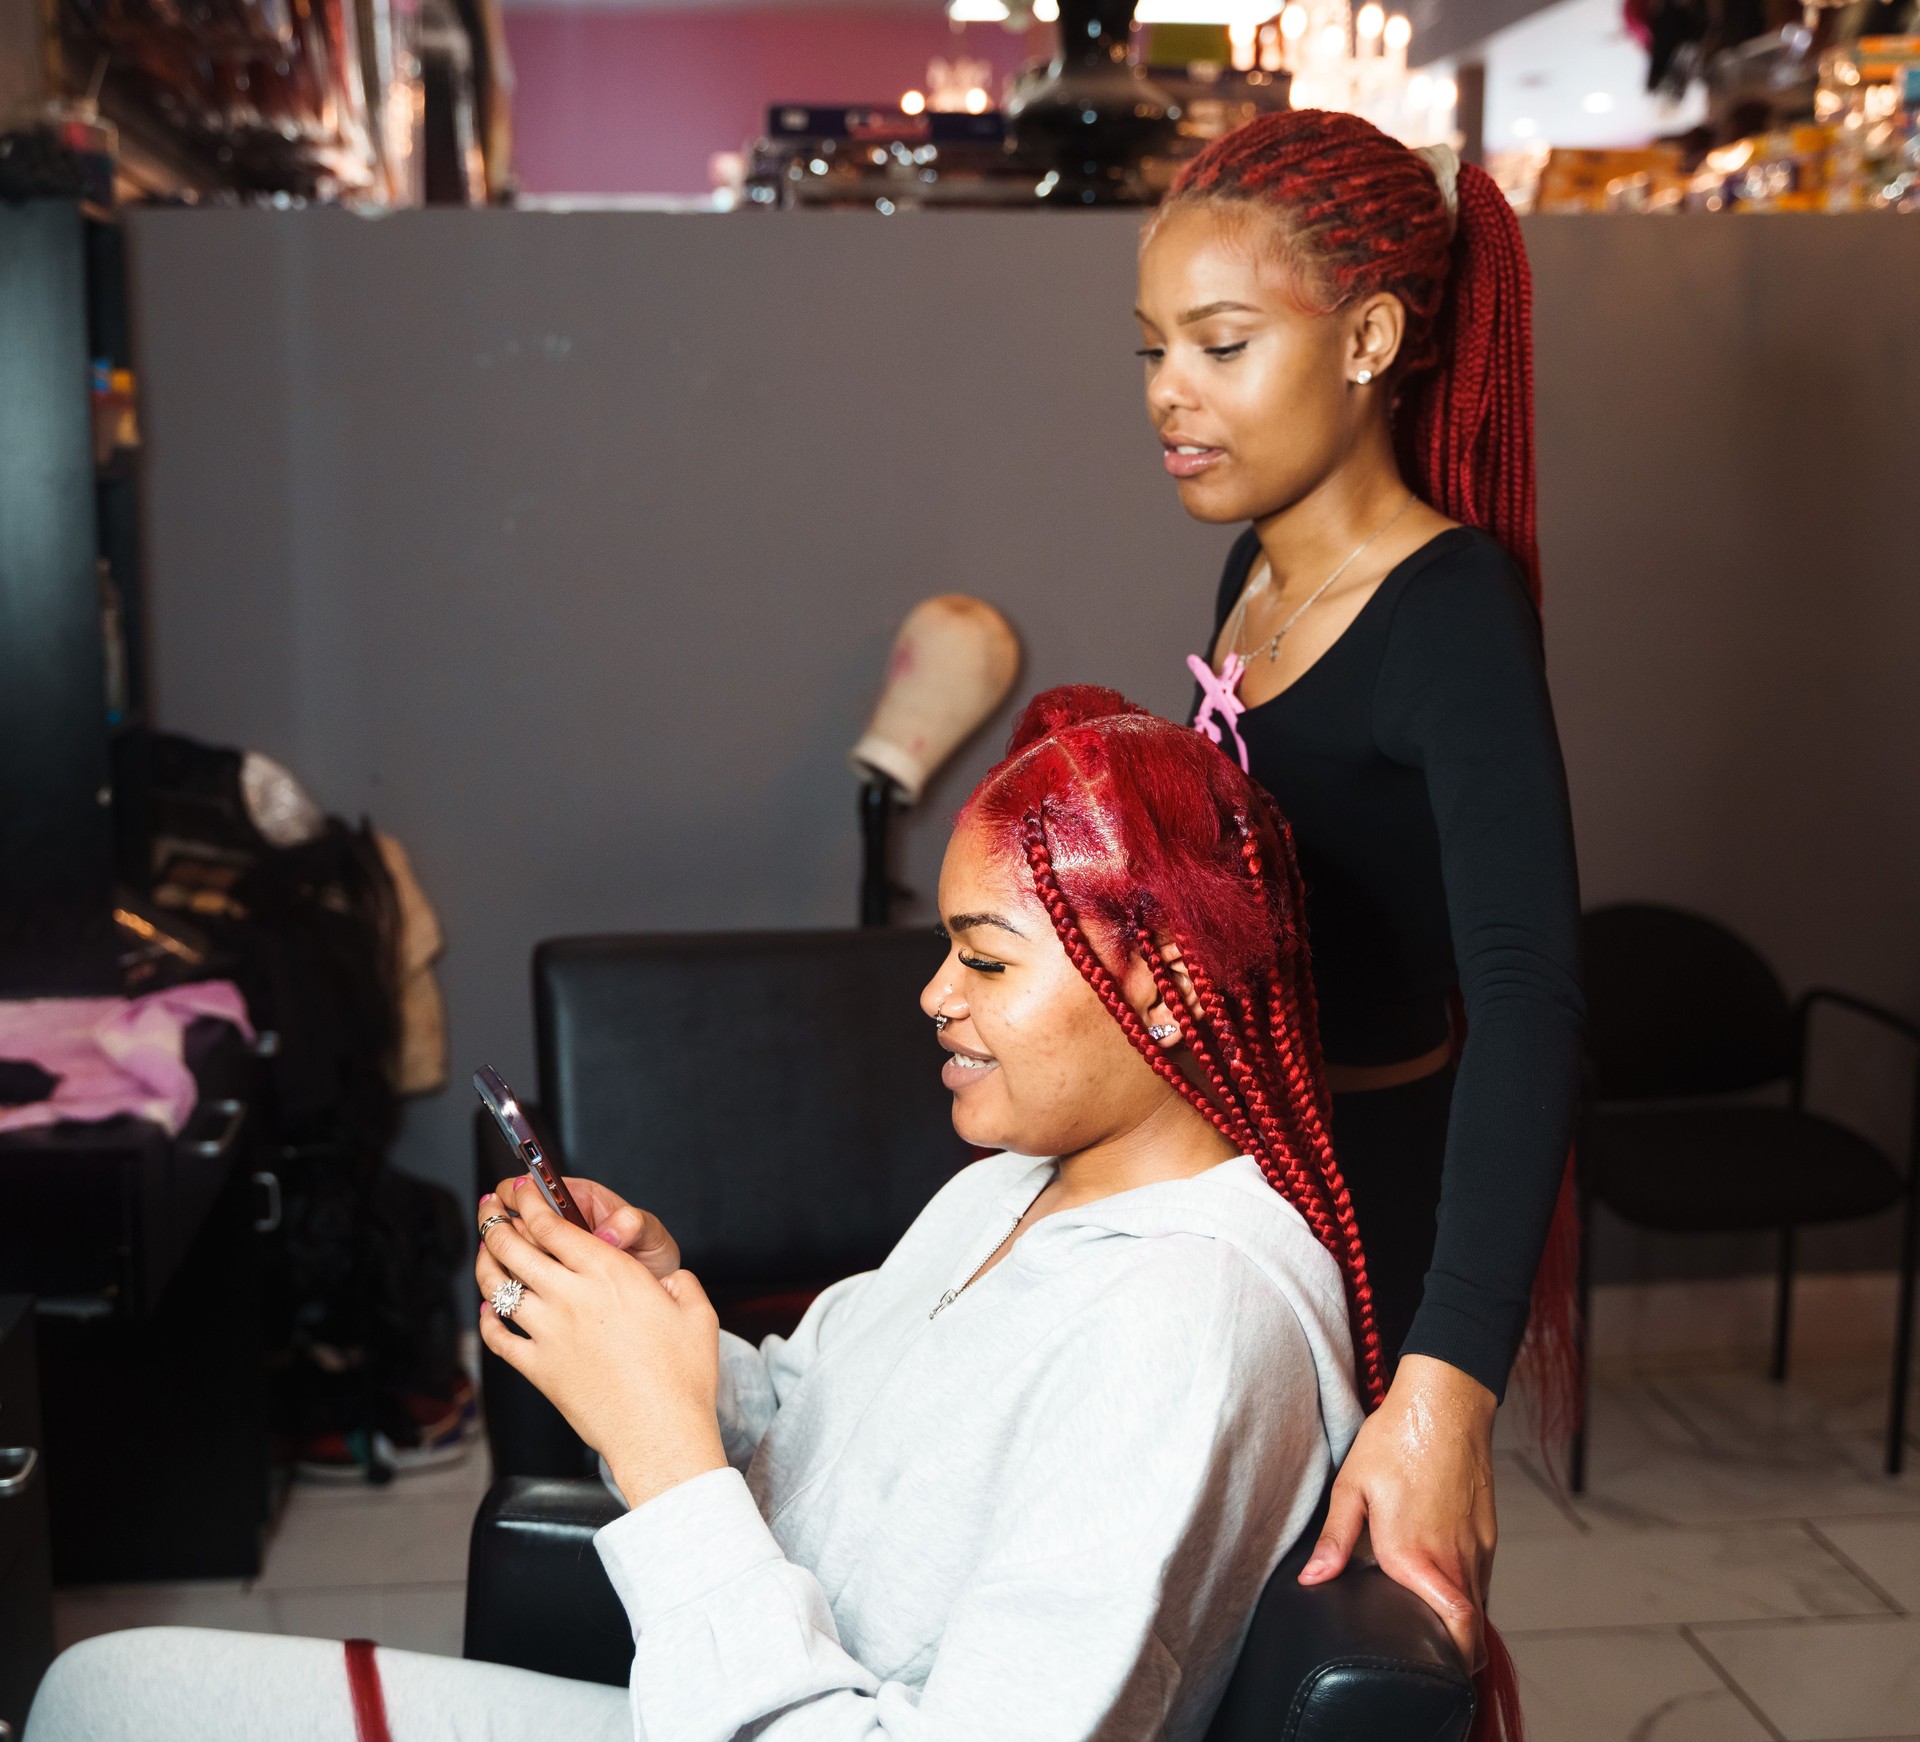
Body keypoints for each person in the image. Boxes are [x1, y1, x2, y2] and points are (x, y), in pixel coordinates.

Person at [30, 687, 1383, 1742]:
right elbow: (824, 1422)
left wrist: (666, 1450)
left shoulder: (1187, 1332)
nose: (934, 995)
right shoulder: (1021, 1185)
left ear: (1162, 986)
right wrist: (669, 1331)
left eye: (983, 957)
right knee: (102, 1691)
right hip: (718, 1700)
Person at [1136, 108, 1585, 1671]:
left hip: (1368, 1214)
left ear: (1371, 337)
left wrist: (1449, 1386)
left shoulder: (1451, 609)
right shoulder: (1252, 567)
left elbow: (1529, 1002)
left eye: (1221, 342)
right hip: (1236, 1187)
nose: (1170, 393)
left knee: (1339, 1650)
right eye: (1152, 351)